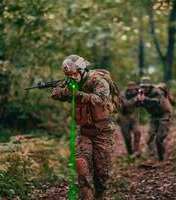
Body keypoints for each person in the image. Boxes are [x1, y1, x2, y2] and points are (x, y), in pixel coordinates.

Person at [50, 55, 121, 199]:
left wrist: (79, 95)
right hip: (85, 131)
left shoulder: (97, 80)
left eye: (73, 73)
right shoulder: (71, 82)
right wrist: (67, 91)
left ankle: (99, 194)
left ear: (82, 70)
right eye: (68, 74)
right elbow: (55, 94)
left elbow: (100, 99)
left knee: (102, 172)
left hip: (103, 131)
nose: (71, 76)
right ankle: (86, 196)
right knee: (81, 163)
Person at [136, 77, 174, 161]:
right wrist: (138, 100)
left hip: (164, 115)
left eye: (146, 87)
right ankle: (151, 158)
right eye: (142, 87)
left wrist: (146, 99)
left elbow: (158, 101)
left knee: (159, 138)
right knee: (150, 136)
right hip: (154, 116)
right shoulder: (142, 93)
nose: (144, 88)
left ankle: (161, 157)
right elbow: (138, 105)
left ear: (150, 86)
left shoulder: (157, 92)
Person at [117, 81, 141, 156]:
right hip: (123, 118)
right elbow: (126, 104)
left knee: (137, 132)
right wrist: (136, 98)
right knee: (127, 138)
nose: (132, 90)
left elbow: (140, 103)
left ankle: (137, 151)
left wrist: (140, 96)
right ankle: (130, 153)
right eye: (130, 88)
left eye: (133, 88)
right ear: (128, 88)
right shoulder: (122, 95)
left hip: (133, 118)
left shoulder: (137, 93)